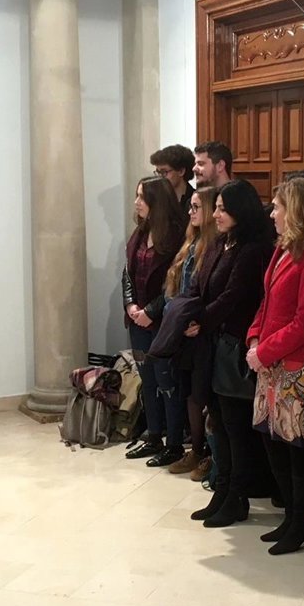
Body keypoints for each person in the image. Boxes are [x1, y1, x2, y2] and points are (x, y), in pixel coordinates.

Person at [246, 178, 304, 553]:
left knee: (298, 448)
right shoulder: (283, 249)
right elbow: (266, 302)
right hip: (271, 362)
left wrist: (265, 351)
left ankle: (302, 522)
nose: (272, 214)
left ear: (296, 211)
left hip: (298, 365)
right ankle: (291, 517)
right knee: (273, 442)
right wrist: (255, 337)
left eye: (277, 207)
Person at [187, 179, 274, 527]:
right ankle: (221, 490)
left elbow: (234, 296)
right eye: (217, 208)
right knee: (218, 422)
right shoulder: (221, 242)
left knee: (235, 427)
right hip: (213, 343)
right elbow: (199, 284)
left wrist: (200, 321)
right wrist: (191, 315)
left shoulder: (253, 249)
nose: (216, 214)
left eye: (223, 209)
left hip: (235, 345)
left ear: (241, 210)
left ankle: (237, 496)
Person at [123, 176, 186, 465]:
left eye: (142, 197)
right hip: (138, 320)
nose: (137, 202)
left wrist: (150, 311)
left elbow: (176, 282)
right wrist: (131, 305)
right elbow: (127, 273)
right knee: (147, 380)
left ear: (156, 202)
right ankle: (153, 435)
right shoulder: (140, 232)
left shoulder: (175, 236)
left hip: (163, 322)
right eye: (137, 196)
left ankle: (174, 443)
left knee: (167, 382)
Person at [160, 185, 220, 478]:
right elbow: (177, 285)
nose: (191, 212)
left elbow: (211, 292)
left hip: (203, 330)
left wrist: (197, 321)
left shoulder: (214, 246)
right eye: (191, 206)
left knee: (204, 395)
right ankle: (195, 449)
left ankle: (209, 454)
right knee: (189, 393)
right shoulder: (191, 242)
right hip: (183, 328)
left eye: (197, 207)